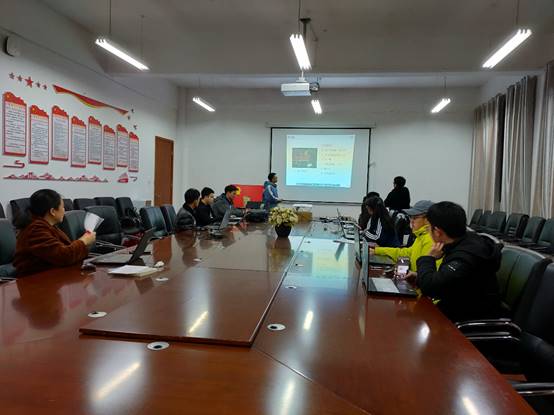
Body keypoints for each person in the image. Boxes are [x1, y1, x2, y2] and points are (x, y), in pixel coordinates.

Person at [416, 201, 502, 322]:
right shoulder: (465, 241)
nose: (428, 231)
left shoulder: (465, 257)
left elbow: (430, 288)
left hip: (467, 320)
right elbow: (447, 280)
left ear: (438, 232)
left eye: (429, 228)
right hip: (458, 309)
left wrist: (429, 258)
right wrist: (419, 275)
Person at [13, 189, 96, 276]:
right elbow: (63, 256)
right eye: (62, 207)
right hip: (36, 280)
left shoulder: (47, 226)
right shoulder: (36, 230)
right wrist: (84, 241)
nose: (64, 210)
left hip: (53, 275)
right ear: (52, 211)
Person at [372, 200, 438, 272]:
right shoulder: (421, 236)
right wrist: (377, 250)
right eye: (410, 217)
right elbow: (407, 253)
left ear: (428, 219)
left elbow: (427, 272)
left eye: (415, 218)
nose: (411, 221)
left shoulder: (430, 239)